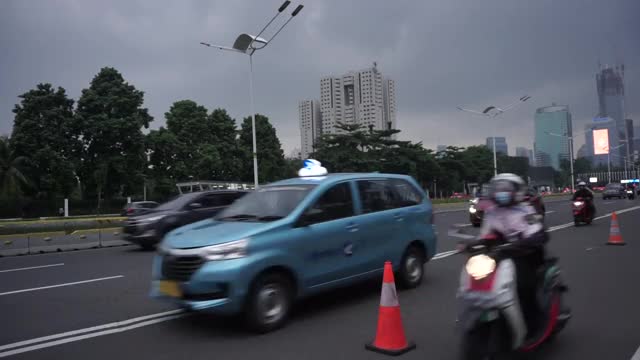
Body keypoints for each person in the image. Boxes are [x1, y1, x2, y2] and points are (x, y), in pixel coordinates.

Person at [460, 173, 548, 337]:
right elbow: (485, 235)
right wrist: (470, 244)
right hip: (500, 256)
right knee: (478, 283)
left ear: (517, 191)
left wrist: (524, 243)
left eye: (506, 189)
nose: (502, 193)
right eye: (499, 189)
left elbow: (537, 233)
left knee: (523, 288)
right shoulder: (492, 212)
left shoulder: (526, 210)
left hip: (526, 256)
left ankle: (534, 326)